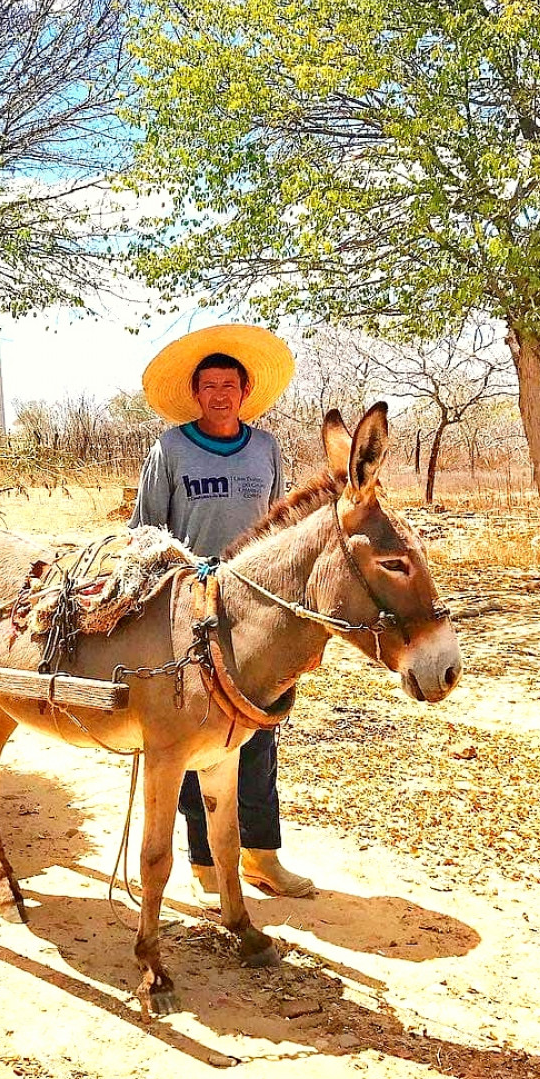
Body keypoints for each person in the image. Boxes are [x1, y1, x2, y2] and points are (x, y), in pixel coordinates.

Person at [128, 324, 314, 899]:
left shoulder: (266, 449)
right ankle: (204, 861)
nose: (219, 395)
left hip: (257, 609)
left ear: (244, 391)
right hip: (189, 607)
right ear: (196, 393)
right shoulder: (170, 449)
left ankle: (262, 856)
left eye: (228, 385)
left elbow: (282, 528)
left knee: (258, 727)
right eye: (208, 386)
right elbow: (144, 530)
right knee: (188, 733)